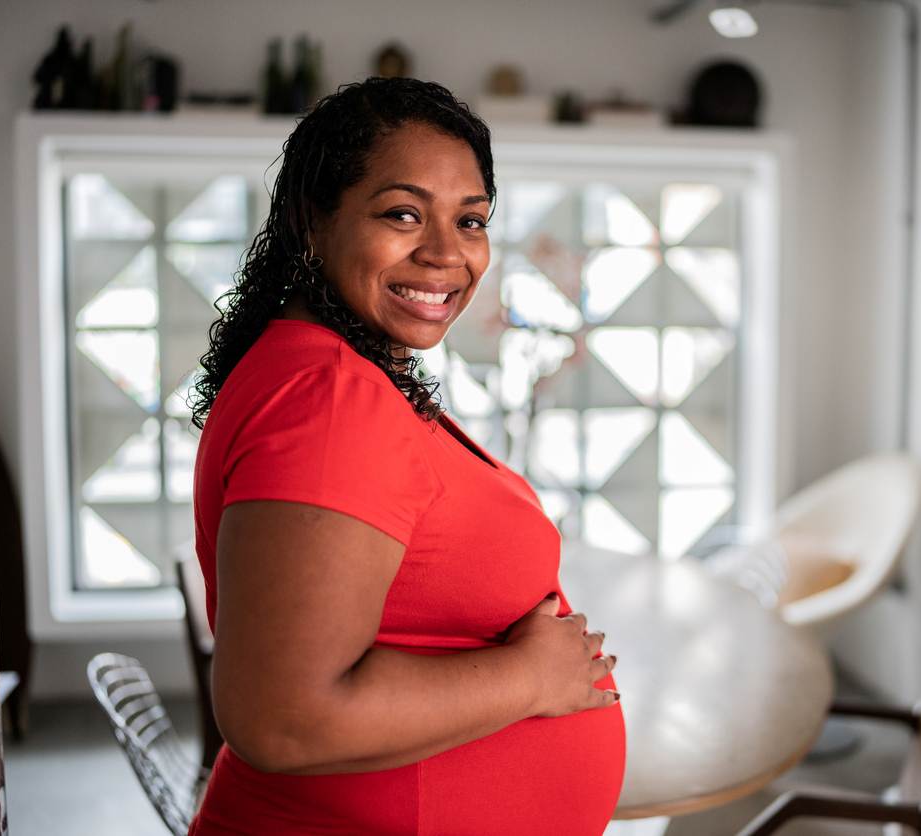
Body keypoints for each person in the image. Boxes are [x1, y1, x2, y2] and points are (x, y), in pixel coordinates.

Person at [186, 77, 625, 835]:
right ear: (310, 220)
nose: (446, 253)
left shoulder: (327, 372)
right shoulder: (328, 396)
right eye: (402, 213)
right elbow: (282, 718)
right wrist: (530, 677)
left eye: (472, 219)